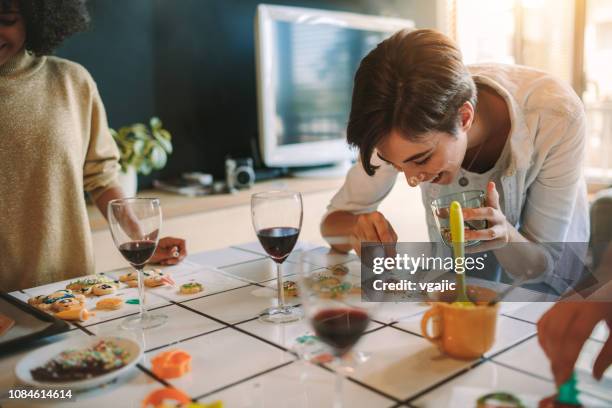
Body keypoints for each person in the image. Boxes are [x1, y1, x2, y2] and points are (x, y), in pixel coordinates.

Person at [321, 29, 589, 291]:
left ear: (464, 118)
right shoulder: (393, 119)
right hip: (459, 286)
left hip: (547, 295)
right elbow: (331, 223)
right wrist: (357, 228)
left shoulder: (556, 116)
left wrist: (505, 235)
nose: (412, 181)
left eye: (422, 159)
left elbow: (539, 268)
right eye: (395, 165)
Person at [0, 0, 186, 292]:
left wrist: (141, 241)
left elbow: (100, 176)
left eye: (6, 19)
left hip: (68, 289)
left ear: (35, 17)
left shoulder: (72, 83)